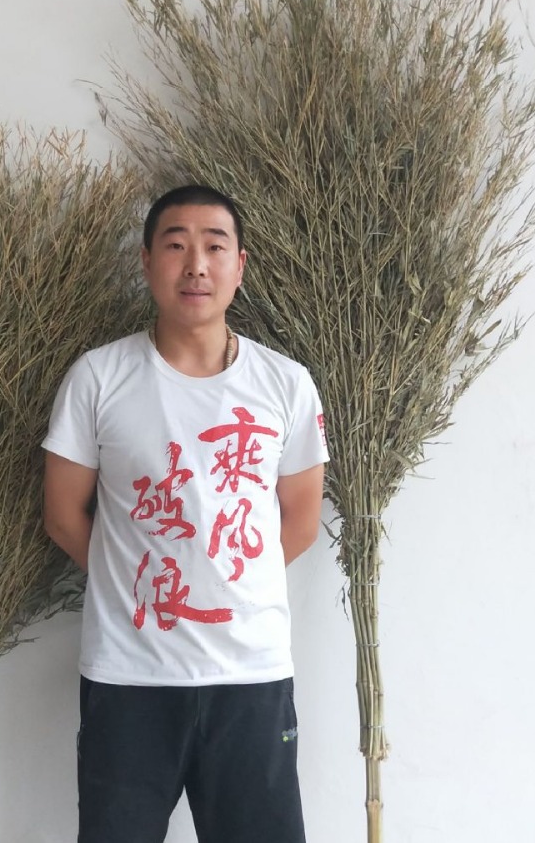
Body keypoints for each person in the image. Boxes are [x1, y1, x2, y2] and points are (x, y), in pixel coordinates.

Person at [42, 184, 328, 843]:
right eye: (175, 246)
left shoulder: (285, 384)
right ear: (147, 262)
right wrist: (130, 579)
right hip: (129, 675)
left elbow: (301, 520)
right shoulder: (99, 377)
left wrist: (221, 581)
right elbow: (62, 514)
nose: (196, 264)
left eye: (214, 246)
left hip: (250, 675)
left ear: (239, 265)